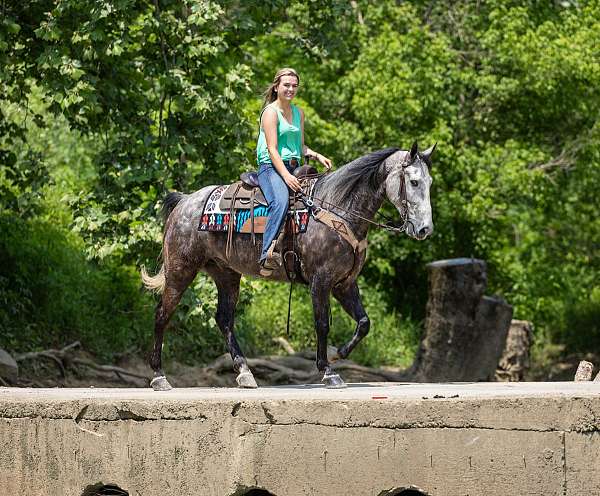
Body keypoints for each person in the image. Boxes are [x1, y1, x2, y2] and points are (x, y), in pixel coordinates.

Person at [256, 68, 332, 275]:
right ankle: (266, 255)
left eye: (294, 86)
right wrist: (287, 176)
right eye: (286, 85)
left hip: (294, 166)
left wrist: (316, 155)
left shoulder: (299, 113)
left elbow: (300, 146)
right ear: (276, 87)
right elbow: (272, 149)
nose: (291, 89)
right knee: (280, 201)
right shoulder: (270, 113)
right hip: (271, 167)